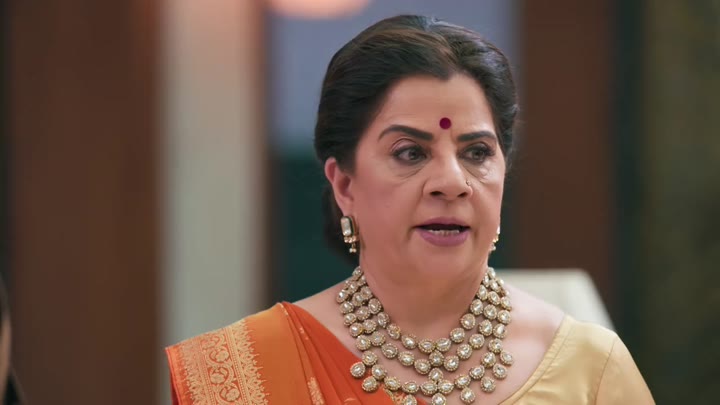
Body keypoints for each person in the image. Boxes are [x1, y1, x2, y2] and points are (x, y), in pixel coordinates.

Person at [166, 15, 654, 404]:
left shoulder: (590, 370)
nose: (451, 182)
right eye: (410, 153)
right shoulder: (242, 374)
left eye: (476, 152)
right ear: (344, 185)